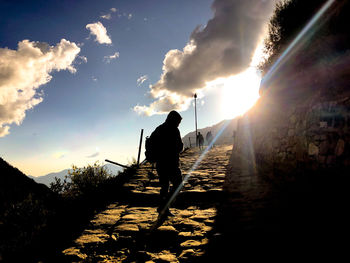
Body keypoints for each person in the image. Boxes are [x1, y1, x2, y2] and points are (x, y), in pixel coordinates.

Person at [149, 110, 183, 217]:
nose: (178, 124)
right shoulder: (174, 130)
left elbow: (152, 144)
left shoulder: (158, 129)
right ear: (174, 120)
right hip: (171, 164)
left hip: (161, 164)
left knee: (164, 186)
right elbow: (180, 147)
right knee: (178, 184)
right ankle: (164, 206)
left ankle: (163, 207)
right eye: (178, 122)